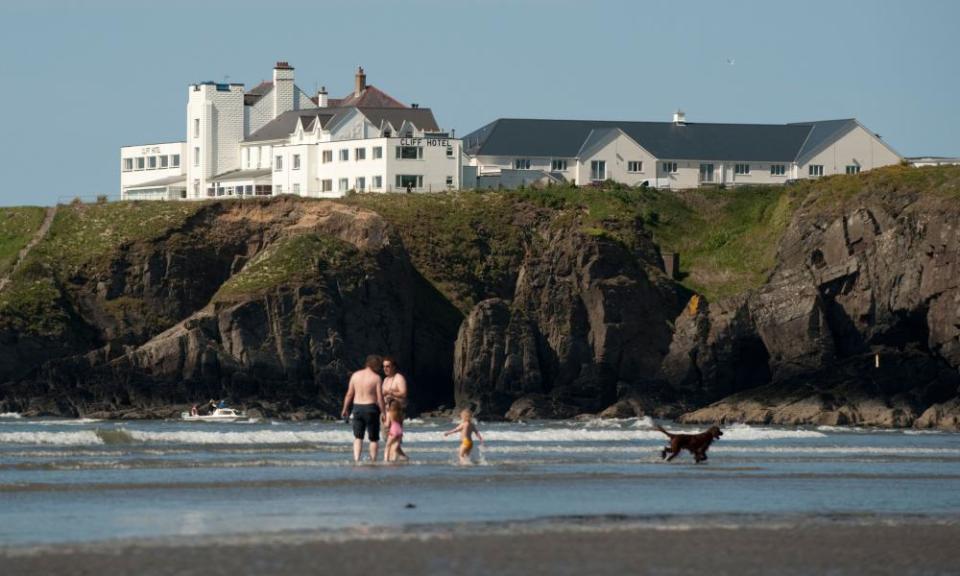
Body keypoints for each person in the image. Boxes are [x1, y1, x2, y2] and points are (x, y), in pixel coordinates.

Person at [341, 354, 386, 462]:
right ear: (375, 365)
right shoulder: (376, 378)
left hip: (357, 408)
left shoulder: (355, 375)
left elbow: (349, 394)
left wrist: (345, 409)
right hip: (371, 409)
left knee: (358, 437)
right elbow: (380, 398)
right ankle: (373, 460)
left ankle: (356, 459)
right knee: (374, 438)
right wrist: (384, 412)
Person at [382, 356, 409, 458]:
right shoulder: (385, 380)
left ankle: (394, 460)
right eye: (384, 366)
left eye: (388, 366)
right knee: (387, 437)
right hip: (386, 410)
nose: (385, 368)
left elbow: (403, 393)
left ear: (394, 367)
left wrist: (389, 392)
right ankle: (399, 458)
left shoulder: (399, 378)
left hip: (396, 412)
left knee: (393, 437)